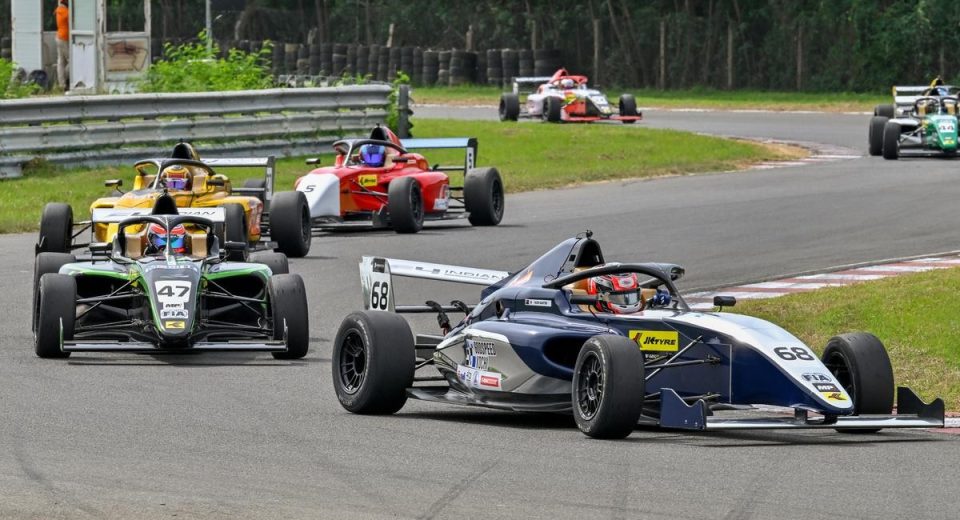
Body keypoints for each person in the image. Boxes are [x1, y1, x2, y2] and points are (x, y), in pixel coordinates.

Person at [579, 270, 672, 314]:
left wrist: (654, 303)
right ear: (599, 294)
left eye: (632, 296)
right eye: (619, 298)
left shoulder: (642, 304)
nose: (627, 303)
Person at [55, 0, 69, 90]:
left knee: (61, 61)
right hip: (64, 38)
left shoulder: (59, 9)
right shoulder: (64, 11)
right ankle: (66, 78)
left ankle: (62, 84)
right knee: (71, 60)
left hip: (59, 37)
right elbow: (73, 18)